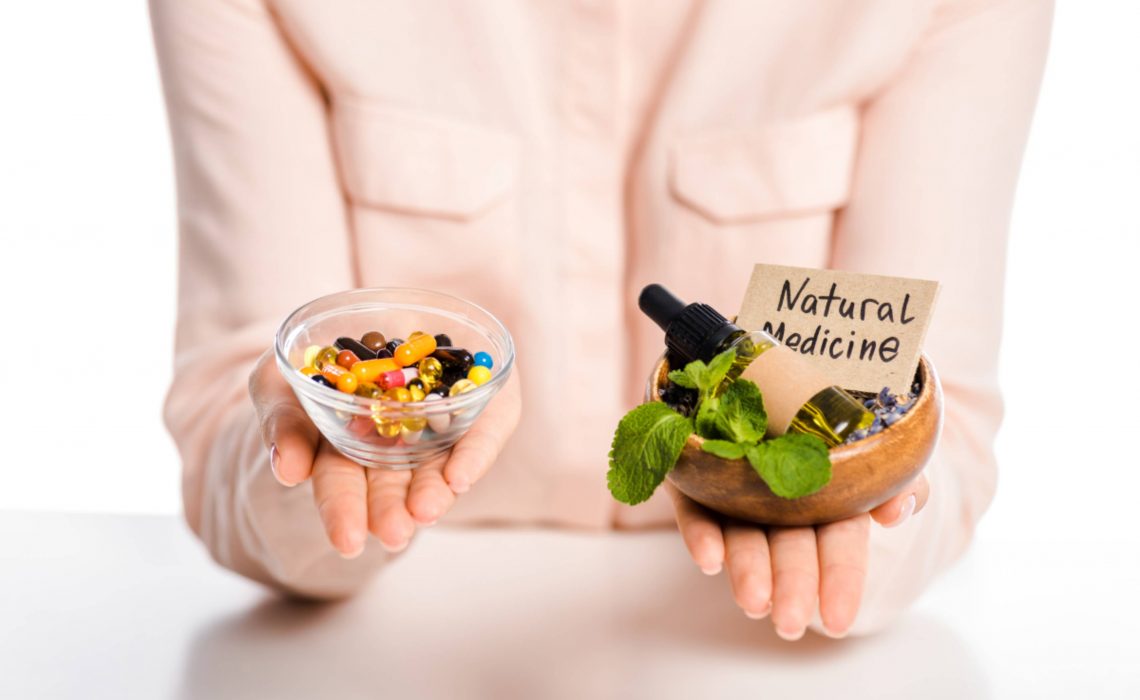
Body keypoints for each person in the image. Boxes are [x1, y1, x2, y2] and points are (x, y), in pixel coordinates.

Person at [150, 0, 1052, 640]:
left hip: (724, 657)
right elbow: (230, 441)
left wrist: (851, 510)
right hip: (409, 640)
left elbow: (942, 421)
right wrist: (325, 452)